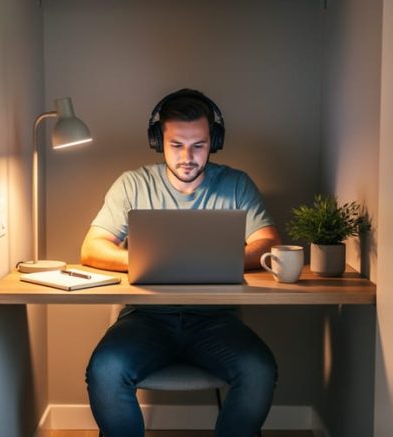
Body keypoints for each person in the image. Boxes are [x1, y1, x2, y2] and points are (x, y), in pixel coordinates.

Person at [81, 89, 282, 436]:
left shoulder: (236, 184)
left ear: (214, 142)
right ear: (159, 141)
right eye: (177, 145)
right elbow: (91, 248)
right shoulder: (133, 184)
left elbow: (269, 243)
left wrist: (217, 259)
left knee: (259, 370)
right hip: (145, 319)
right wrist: (149, 260)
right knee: (104, 370)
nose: (187, 156)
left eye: (199, 145)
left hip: (215, 319)